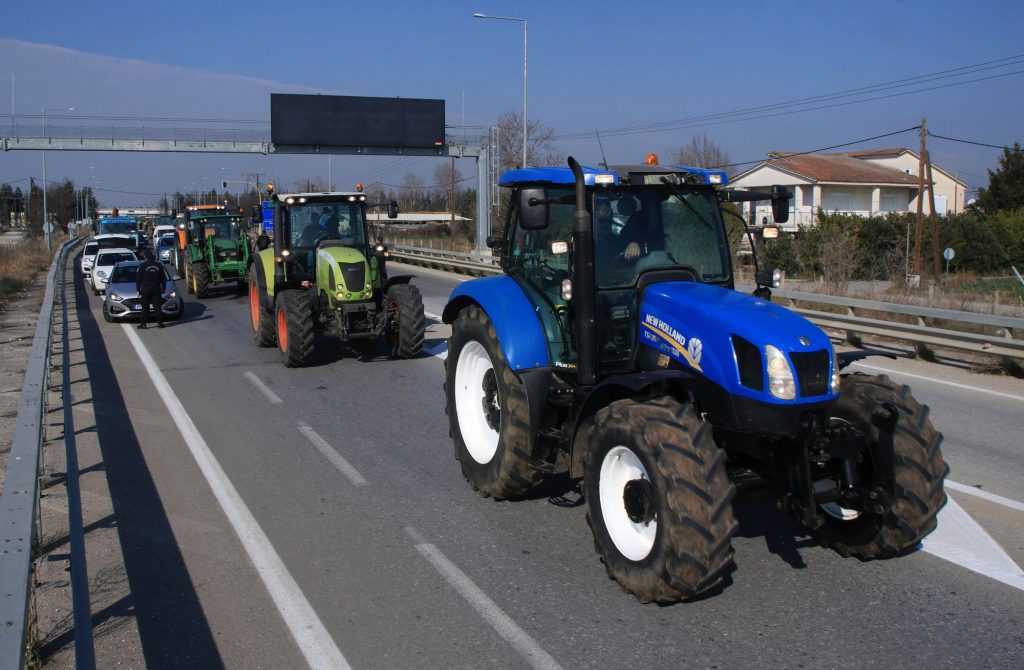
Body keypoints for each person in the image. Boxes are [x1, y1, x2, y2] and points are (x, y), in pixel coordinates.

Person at [136, 250, 167, 329]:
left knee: (145, 307)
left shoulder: (142, 265)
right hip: (156, 288)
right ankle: (160, 323)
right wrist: (164, 287)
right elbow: (163, 278)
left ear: (145, 257)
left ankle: (143, 324)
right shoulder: (159, 265)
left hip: (146, 289)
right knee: (157, 306)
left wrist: (138, 290)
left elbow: (138, 279)